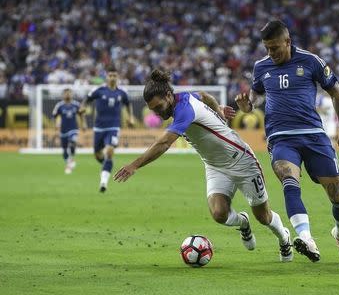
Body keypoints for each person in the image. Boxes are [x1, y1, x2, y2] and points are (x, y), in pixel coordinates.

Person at [114, 69, 293, 262]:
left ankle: (284, 238)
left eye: (158, 107)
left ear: (168, 95)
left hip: (241, 161)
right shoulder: (184, 98)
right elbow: (205, 96)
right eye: (153, 110)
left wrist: (134, 165)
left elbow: (164, 143)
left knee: (264, 217)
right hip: (215, 165)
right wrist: (219, 110)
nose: (157, 113)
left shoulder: (184, 110)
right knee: (219, 213)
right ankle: (243, 223)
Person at [234, 20, 339, 263]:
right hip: (280, 137)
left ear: (288, 42)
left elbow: (335, 91)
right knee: (289, 180)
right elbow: (257, 92)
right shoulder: (261, 66)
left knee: (337, 194)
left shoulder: (311, 61)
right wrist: (250, 105)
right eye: (267, 48)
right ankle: (307, 238)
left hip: (313, 134)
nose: (271, 53)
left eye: (275, 48)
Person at [80, 66, 135, 192]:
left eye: (115, 75)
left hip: (114, 126)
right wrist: (83, 107)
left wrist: (130, 117)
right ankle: (107, 165)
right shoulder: (99, 90)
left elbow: (128, 104)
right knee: (98, 155)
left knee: (109, 151)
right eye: (110, 75)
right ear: (106, 76)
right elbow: (87, 100)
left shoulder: (122, 92)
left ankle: (103, 182)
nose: (112, 78)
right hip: (99, 127)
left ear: (118, 77)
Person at [52, 88, 85, 174]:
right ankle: (69, 163)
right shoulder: (59, 106)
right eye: (66, 93)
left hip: (73, 128)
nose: (67, 95)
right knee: (64, 151)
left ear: (72, 94)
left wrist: (84, 124)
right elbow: (54, 116)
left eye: (69, 93)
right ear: (63, 95)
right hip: (63, 130)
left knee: (73, 141)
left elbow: (82, 114)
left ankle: (72, 158)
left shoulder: (76, 105)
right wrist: (56, 124)